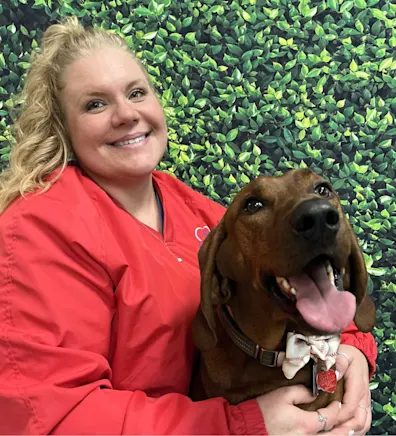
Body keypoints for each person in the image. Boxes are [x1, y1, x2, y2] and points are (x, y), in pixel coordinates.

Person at [0, 17, 376, 435]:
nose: (127, 114)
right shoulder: (39, 229)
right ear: (63, 129)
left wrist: (354, 352)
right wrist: (239, 426)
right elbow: (50, 417)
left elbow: (297, 290)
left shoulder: (197, 210)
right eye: (95, 104)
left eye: (136, 93)